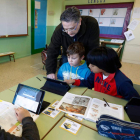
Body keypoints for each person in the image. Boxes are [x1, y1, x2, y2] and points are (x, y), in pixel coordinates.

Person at [64, 46, 139, 100]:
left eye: (93, 65)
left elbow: (135, 102)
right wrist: (74, 81)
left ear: (103, 66)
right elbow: (89, 83)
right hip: (98, 101)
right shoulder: (96, 73)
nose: (89, 66)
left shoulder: (122, 83)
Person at [46, 6, 99, 79]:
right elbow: (52, 50)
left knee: (85, 77)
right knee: (66, 75)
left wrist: (92, 66)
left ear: (80, 21)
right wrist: (50, 72)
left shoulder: (91, 24)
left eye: (72, 28)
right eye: (65, 29)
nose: (69, 32)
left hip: (86, 55)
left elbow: (94, 49)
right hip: (68, 55)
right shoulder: (59, 30)